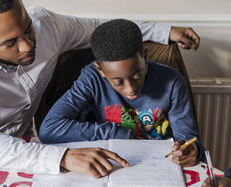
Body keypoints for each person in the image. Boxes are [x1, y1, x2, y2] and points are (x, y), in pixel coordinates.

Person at [0, 0, 201, 178]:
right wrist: (61, 158)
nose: (27, 46)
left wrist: (164, 31)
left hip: (28, 143)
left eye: (27, 29)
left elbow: (98, 28)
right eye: (10, 43)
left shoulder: (45, 25)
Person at [39, 19, 205, 166]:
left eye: (137, 75)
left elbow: (188, 138)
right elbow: (49, 129)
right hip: (116, 163)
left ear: (145, 57)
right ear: (100, 70)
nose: (130, 89)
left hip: (160, 164)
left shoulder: (172, 82)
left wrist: (192, 149)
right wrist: (114, 132)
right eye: (118, 82)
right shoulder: (91, 78)